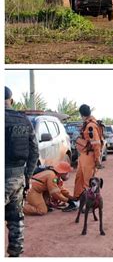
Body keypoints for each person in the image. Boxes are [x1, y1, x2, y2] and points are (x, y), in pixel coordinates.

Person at [5, 86, 39, 257]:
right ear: (11, 100)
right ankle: (16, 254)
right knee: (16, 219)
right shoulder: (24, 120)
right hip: (18, 178)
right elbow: (34, 151)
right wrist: (27, 177)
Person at [69, 104, 102, 206]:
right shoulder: (88, 124)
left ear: (81, 114)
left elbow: (96, 144)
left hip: (89, 156)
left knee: (88, 182)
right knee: (79, 178)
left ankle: (90, 204)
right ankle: (77, 200)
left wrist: (97, 159)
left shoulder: (90, 126)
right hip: (84, 155)